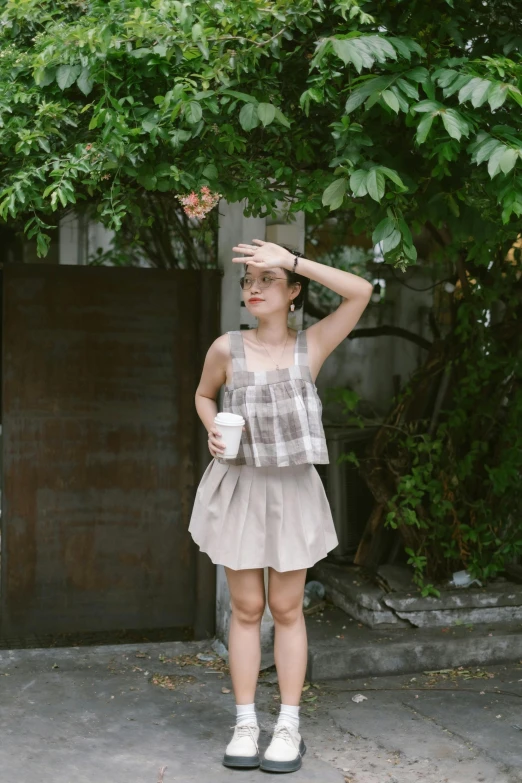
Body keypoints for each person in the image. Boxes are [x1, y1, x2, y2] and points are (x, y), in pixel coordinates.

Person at [188, 239, 373, 773]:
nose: (253, 288)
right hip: (240, 487)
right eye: (248, 281)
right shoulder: (226, 347)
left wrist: (288, 259)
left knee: (287, 609)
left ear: (293, 292)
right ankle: (246, 722)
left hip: (293, 491)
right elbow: (203, 396)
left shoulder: (310, 345)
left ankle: (288, 725)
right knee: (247, 609)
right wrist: (211, 433)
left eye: (266, 280)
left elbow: (360, 292)